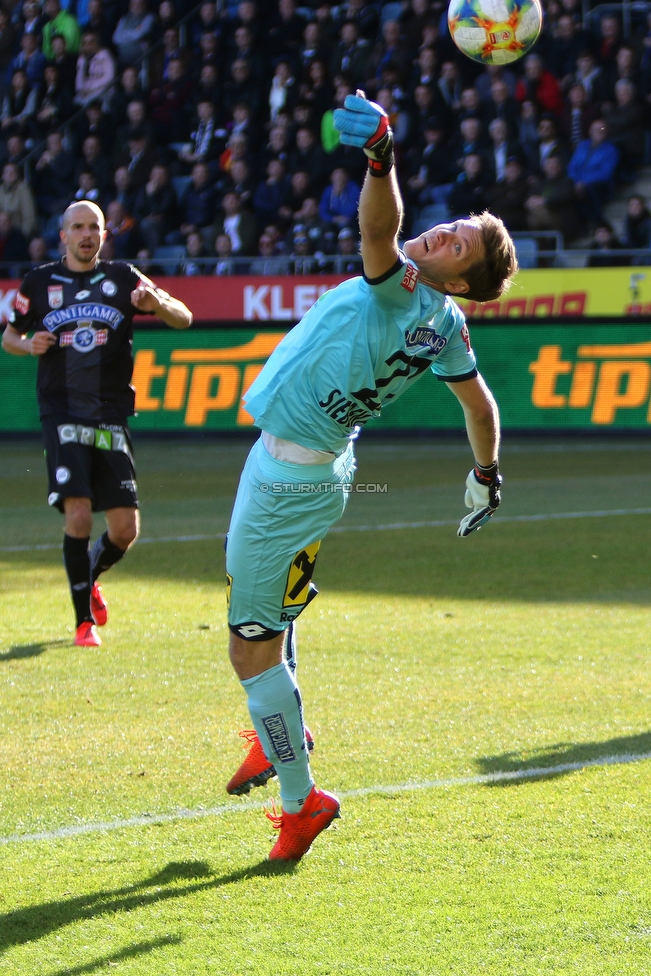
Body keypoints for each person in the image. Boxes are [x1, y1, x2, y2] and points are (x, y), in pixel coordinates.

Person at [223, 91, 516, 862]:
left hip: (288, 479)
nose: (450, 232)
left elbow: (376, 228)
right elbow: (479, 404)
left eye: (464, 247)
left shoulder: (405, 288)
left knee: (249, 648)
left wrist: (382, 156)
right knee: (270, 620)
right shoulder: (446, 326)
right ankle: (275, 728)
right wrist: (485, 473)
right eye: (460, 226)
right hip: (319, 468)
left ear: (455, 280)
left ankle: (300, 798)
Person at [1, 201, 192, 648]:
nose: (87, 235)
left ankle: (89, 573)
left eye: (95, 227)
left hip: (111, 414)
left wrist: (157, 302)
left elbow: (183, 318)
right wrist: (30, 346)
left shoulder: (124, 278)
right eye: (78, 227)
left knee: (126, 530)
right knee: (80, 512)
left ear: (104, 235)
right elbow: (9, 335)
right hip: (62, 411)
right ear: (63, 234)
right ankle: (82, 621)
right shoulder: (39, 282)